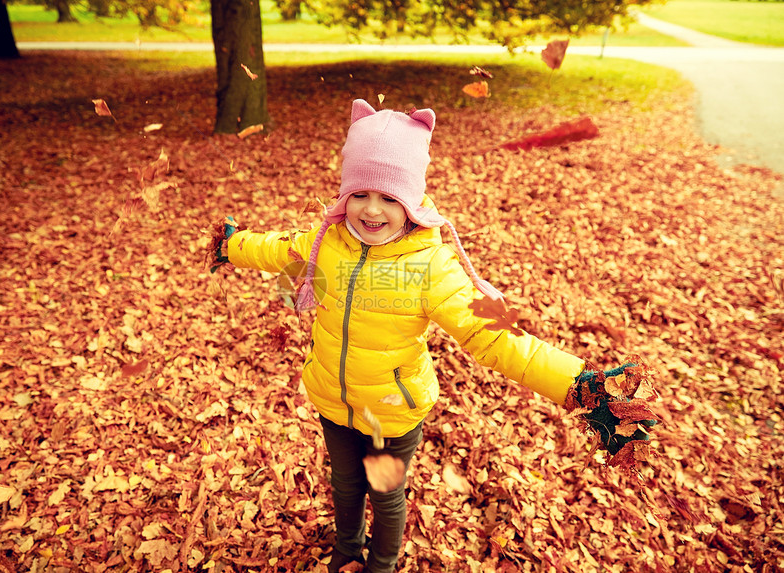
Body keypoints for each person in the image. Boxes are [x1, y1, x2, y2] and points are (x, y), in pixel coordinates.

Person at [212, 99, 657, 573]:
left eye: (390, 197)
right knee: (344, 485)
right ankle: (346, 546)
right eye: (361, 193)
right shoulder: (326, 242)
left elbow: (495, 336)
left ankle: (381, 564)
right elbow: (275, 248)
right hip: (332, 400)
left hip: (391, 413)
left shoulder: (431, 267)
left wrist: (578, 384)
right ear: (345, 195)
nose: (372, 209)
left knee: (384, 494)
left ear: (412, 203)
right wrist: (230, 245)